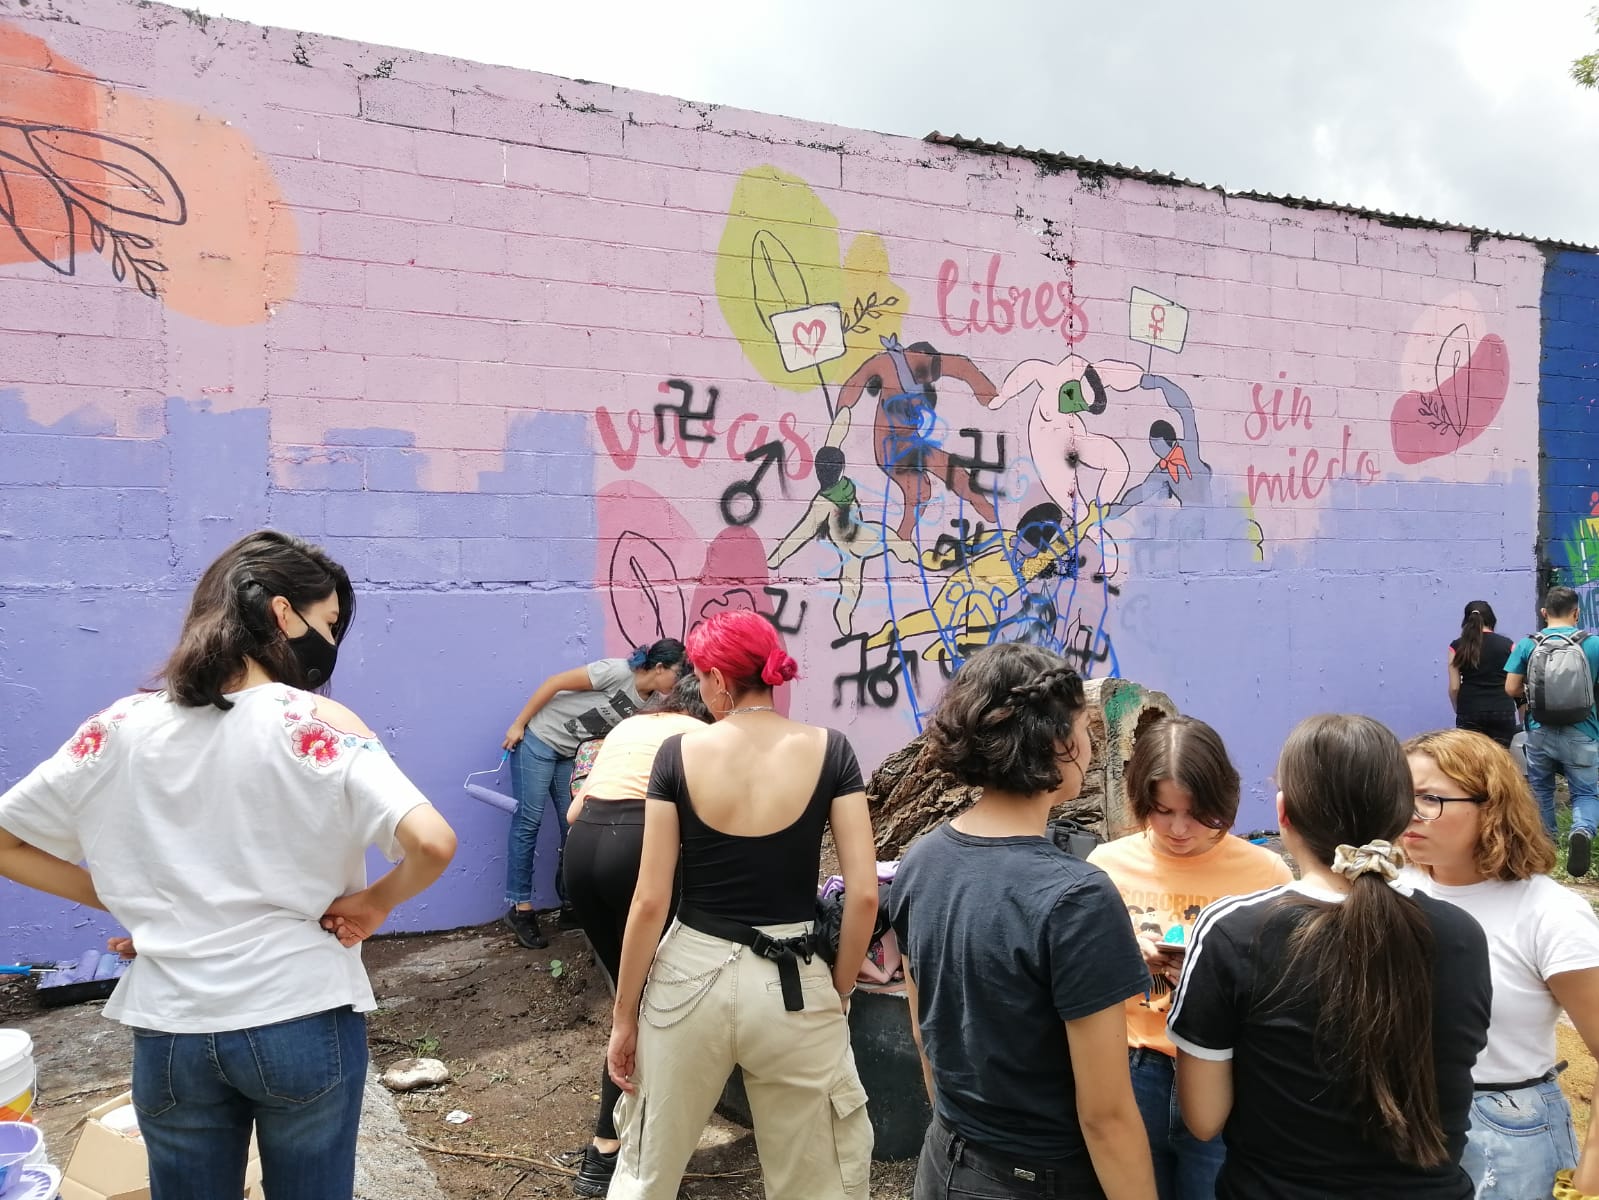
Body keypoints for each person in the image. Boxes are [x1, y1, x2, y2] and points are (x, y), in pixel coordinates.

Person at [0, 530, 457, 1200]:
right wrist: (375, 902)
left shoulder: (119, 727)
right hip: (301, 1013)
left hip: (172, 1029)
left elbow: (8, 840)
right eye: (328, 623)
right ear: (281, 613)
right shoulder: (316, 722)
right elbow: (432, 843)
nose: (329, 644)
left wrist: (133, 899)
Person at [604, 610, 877, 1200]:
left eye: (701, 676)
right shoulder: (832, 750)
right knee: (815, 1179)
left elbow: (651, 900)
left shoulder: (678, 754)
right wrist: (843, 983)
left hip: (689, 976)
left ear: (722, 682)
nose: (699, 688)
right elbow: (862, 892)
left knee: (649, 1169)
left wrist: (624, 1016)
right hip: (796, 980)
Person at [1170, 714, 1491, 1200]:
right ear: (1404, 814)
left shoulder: (1233, 930)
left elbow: (1203, 1119)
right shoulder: (1462, 934)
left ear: (1283, 813)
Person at [888, 642, 1157, 1200]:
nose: (1090, 747)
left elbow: (924, 1035)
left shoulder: (921, 859)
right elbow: (1106, 1115)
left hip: (944, 1160)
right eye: (1085, 730)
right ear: (1060, 744)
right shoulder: (1076, 897)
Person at [1087, 716, 1292, 1200]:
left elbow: (1286, 988)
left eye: (1198, 814)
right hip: (1131, 1068)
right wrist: (1125, 958)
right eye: (1162, 811)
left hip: (1224, 1070)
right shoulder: (1105, 865)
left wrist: (1216, 974)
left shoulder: (1265, 871)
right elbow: (1080, 981)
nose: (1179, 829)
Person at [1401, 728, 1599, 1200]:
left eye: (1430, 798)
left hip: (1505, 1129)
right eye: (1399, 796)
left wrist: (1590, 1182)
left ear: (1491, 805)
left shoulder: (1549, 912)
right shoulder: (1386, 890)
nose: (1409, 814)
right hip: (1398, 1123)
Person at [560, 673, 712, 1197]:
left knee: (631, 998)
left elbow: (574, 809)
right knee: (649, 1002)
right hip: (637, 848)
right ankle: (608, 1149)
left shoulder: (627, 726)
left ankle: (612, 1143)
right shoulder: (698, 735)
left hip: (582, 852)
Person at [500, 638, 686, 948]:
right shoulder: (616, 672)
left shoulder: (653, 702)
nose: (679, 682)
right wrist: (519, 724)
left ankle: (570, 905)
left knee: (572, 826)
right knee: (528, 823)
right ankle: (521, 910)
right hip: (538, 740)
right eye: (678, 673)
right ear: (659, 667)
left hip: (569, 753)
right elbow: (555, 683)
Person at [1505, 586, 1599, 869]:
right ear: (1576, 613)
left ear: (1544, 613)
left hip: (1539, 728)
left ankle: (1547, 844)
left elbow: (1511, 687)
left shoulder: (1527, 644)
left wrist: (1531, 699)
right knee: (1585, 792)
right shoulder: (1593, 644)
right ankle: (1581, 830)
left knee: (1541, 788)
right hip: (1583, 730)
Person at [1448, 601, 1519, 748]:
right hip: (1502, 709)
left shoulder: (1456, 646)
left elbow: (1454, 687)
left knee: (1472, 762)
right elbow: (1517, 683)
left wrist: (1459, 708)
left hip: (1469, 709)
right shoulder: (1508, 645)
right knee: (1500, 760)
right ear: (1492, 619)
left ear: (1466, 621)